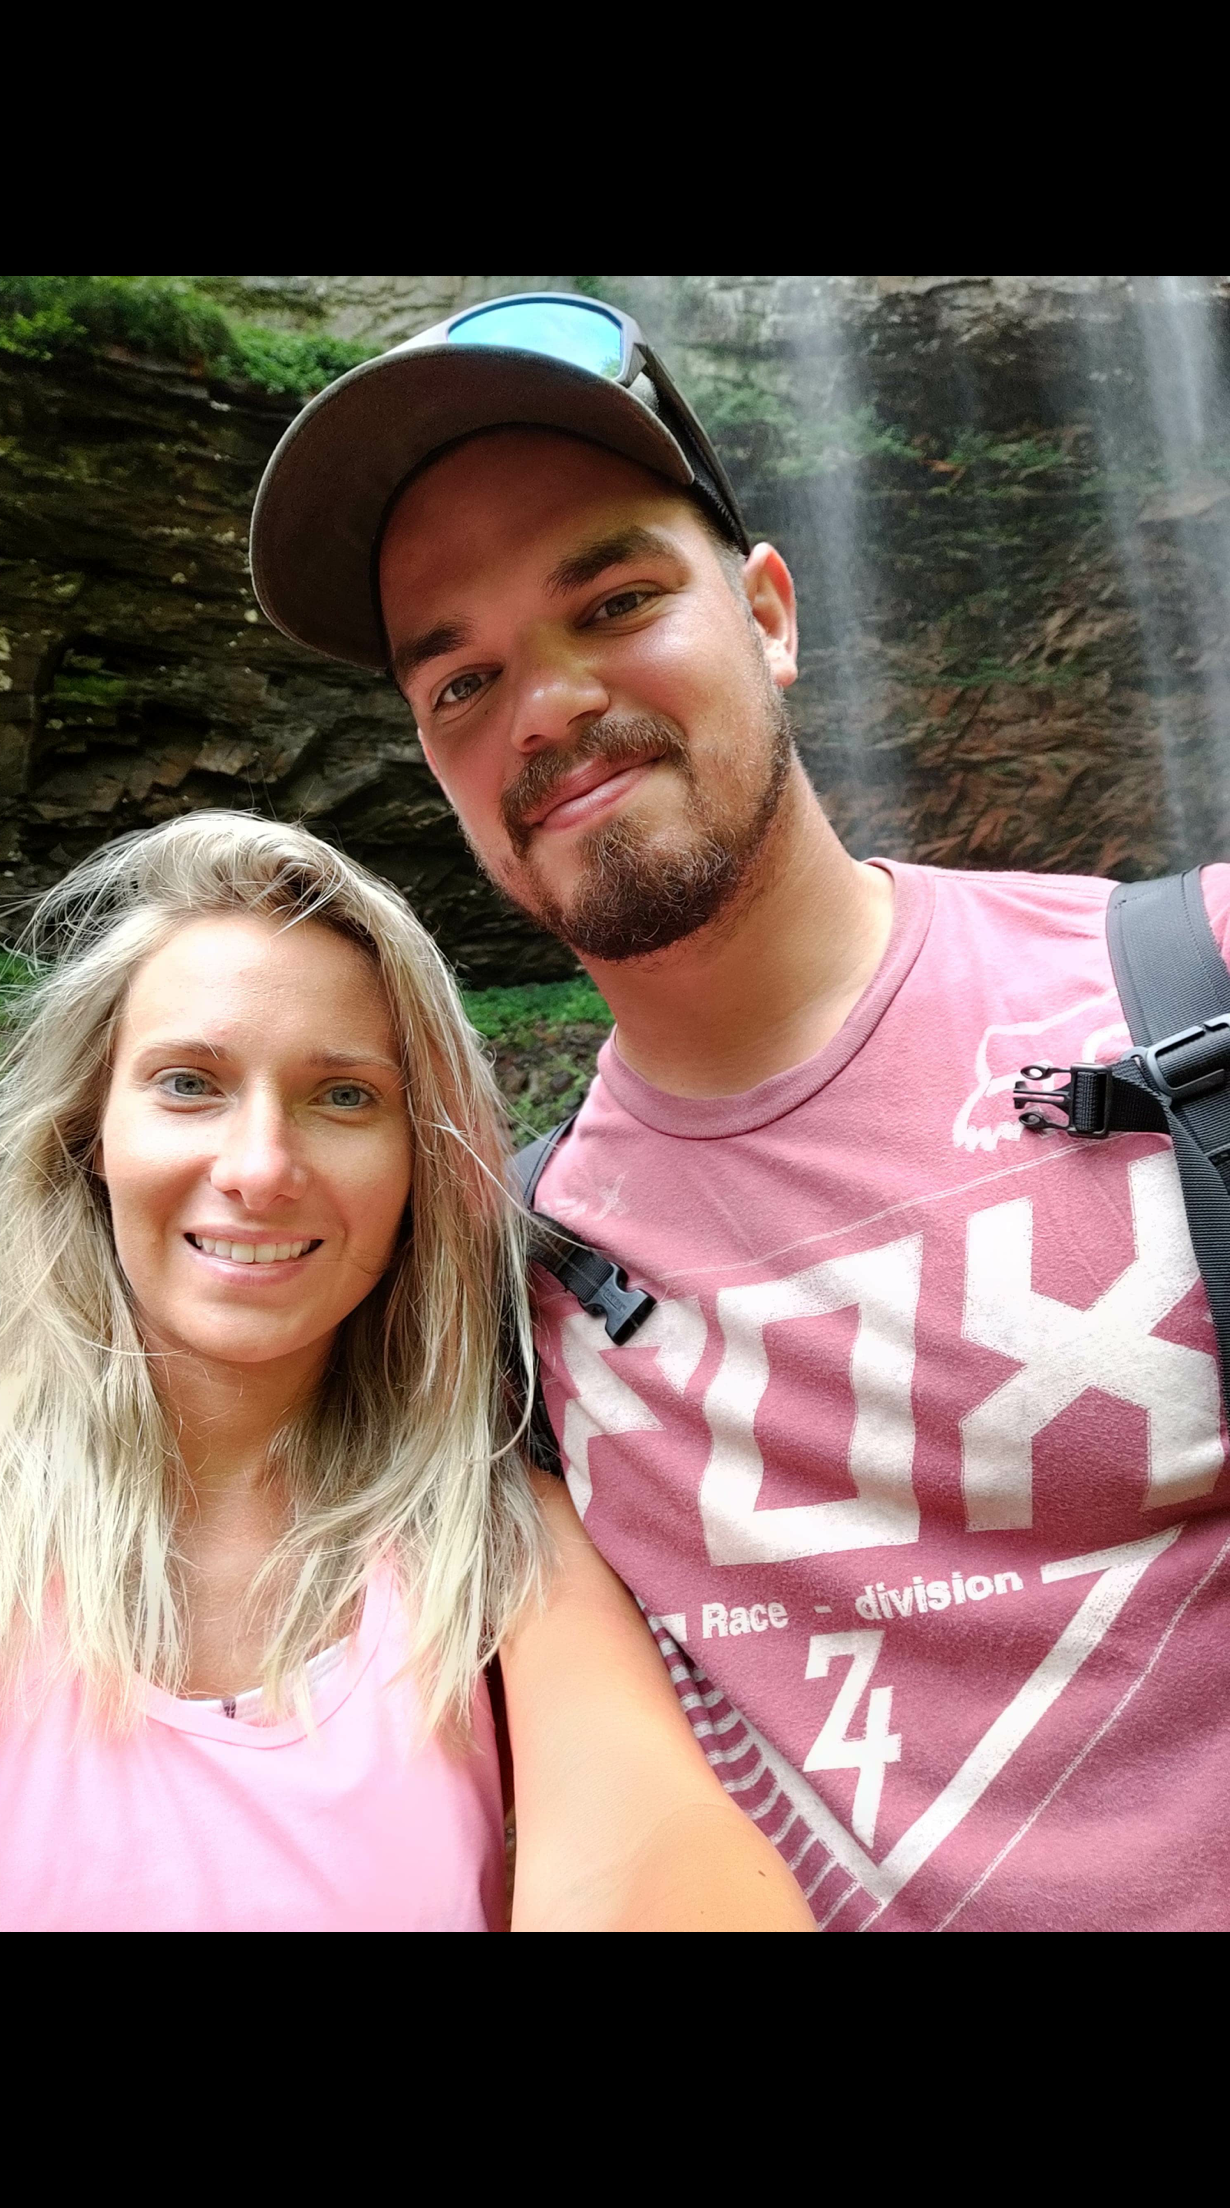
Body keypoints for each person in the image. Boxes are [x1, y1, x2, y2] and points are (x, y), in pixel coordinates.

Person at [250, 290, 1230, 1933]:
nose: (544, 706)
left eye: (613, 600)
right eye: (461, 681)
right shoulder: (508, 1287)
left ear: (768, 612)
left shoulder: (1196, 994)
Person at [0, 811, 812, 1933]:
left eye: (344, 1096)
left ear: (419, 1164)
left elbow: (652, 1849)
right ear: (90, 1134)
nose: (260, 1169)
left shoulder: (493, 1545)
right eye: (188, 1083)